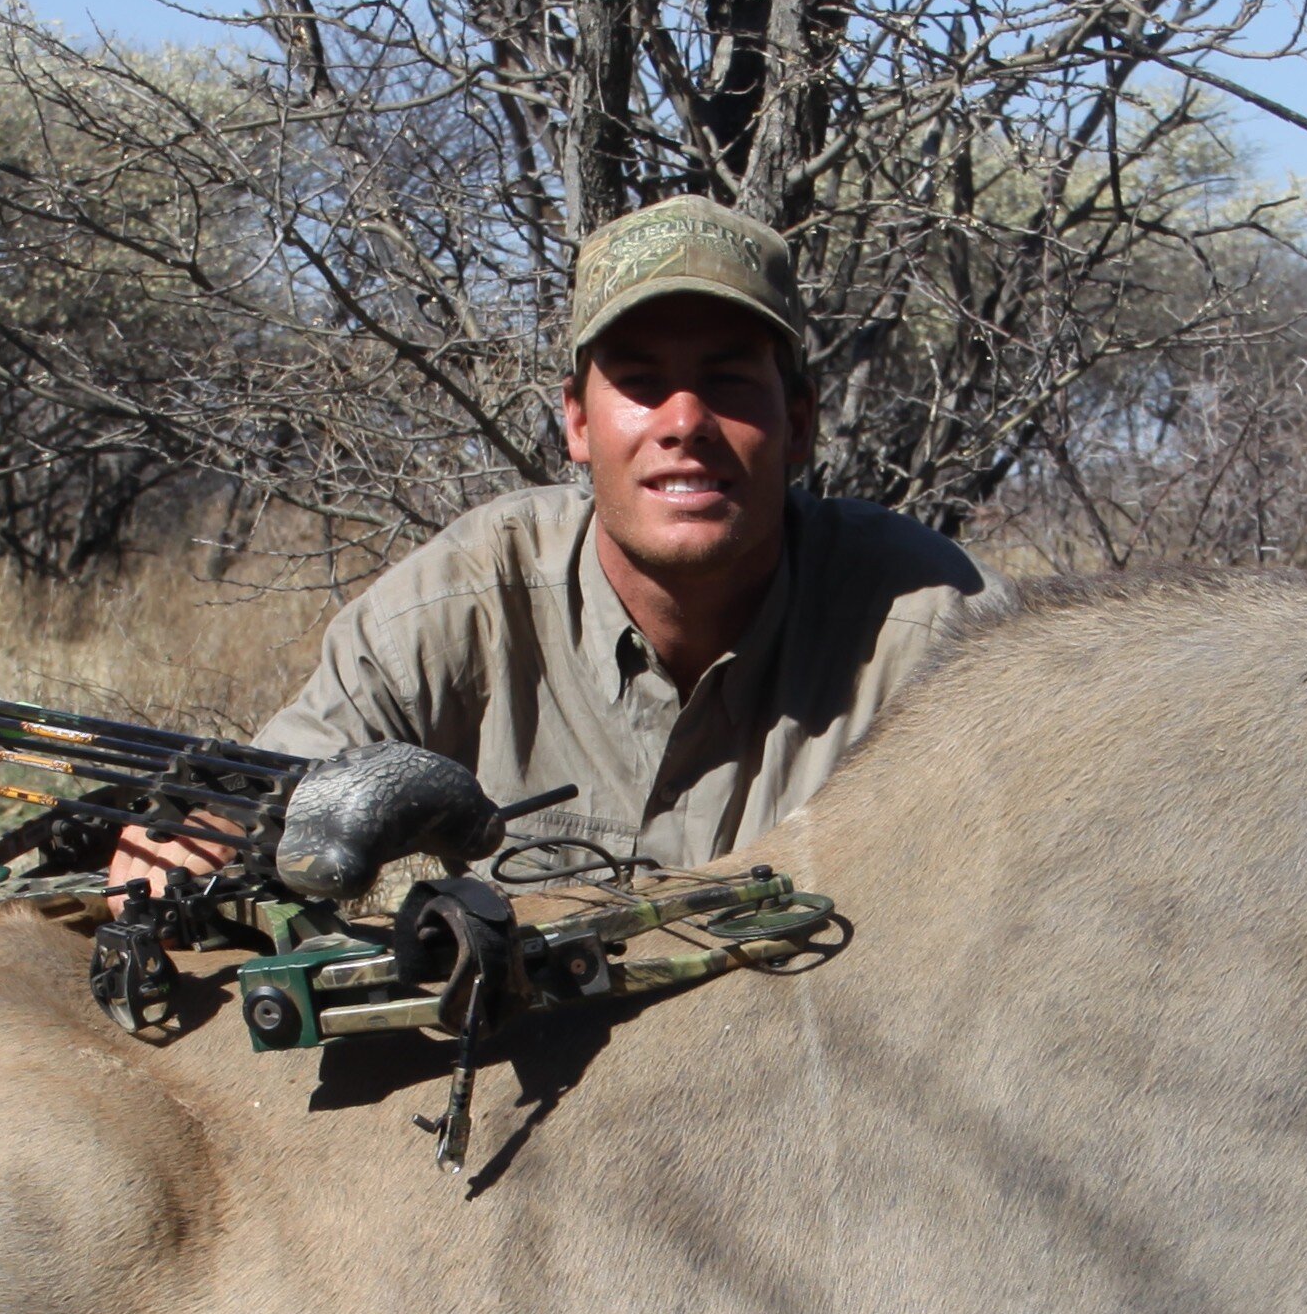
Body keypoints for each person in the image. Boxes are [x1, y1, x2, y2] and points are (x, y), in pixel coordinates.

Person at [112, 196, 995, 896]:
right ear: (577, 423)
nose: (685, 424)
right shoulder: (465, 597)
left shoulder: (945, 633)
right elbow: (262, 795)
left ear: (797, 421)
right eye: (641, 384)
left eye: (727, 383)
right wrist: (194, 837)